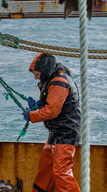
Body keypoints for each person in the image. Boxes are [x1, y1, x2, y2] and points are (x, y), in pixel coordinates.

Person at [23, 53, 81, 192]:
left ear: (45, 71)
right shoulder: (55, 78)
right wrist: (39, 105)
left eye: (37, 74)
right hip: (57, 132)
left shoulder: (59, 82)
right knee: (46, 167)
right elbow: (54, 105)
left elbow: (52, 111)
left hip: (65, 134)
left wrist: (31, 116)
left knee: (62, 172)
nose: (36, 77)